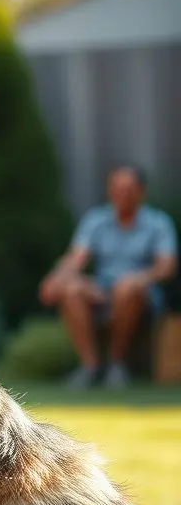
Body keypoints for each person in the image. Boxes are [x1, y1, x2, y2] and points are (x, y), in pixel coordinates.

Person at [39, 165, 178, 388]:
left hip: (143, 294)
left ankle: (117, 363)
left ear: (141, 192)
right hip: (104, 290)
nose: (122, 194)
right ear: (109, 191)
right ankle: (90, 365)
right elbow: (76, 258)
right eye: (116, 188)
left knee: (126, 288)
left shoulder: (158, 223)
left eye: (128, 189)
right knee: (71, 288)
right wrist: (56, 277)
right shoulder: (96, 220)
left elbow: (166, 267)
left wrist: (138, 279)